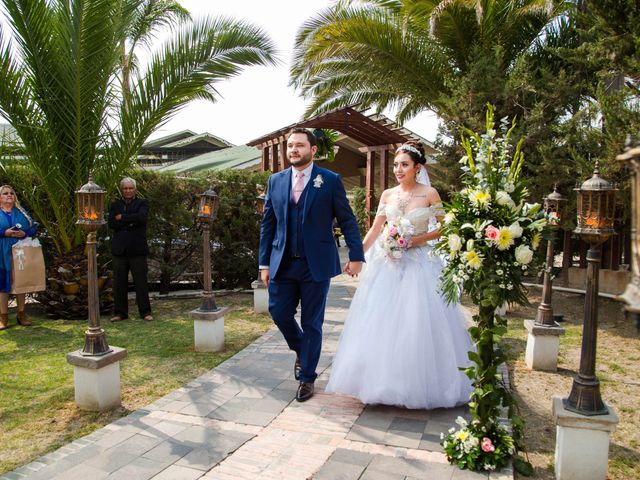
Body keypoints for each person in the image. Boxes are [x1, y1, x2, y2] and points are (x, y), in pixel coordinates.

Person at [326, 143, 474, 409]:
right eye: (395, 165)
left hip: (419, 265)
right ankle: (378, 382)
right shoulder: (387, 195)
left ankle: (419, 383)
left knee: (417, 322)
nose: (398, 169)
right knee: (380, 321)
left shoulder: (429, 193)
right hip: (388, 265)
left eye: (404, 164)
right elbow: (375, 229)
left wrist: (415, 240)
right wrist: (357, 256)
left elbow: (443, 229)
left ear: (417, 168)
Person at [259, 128, 365, 402]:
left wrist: (356, 255)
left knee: (312, 322)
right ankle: (303, 351)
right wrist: (263, 263)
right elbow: (268, 224)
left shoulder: (329, 180)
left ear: (313, 150)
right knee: (278, 312)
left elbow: (348, 220)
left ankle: (307, 377)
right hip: (282, 262)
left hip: (315, 265)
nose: (293, 150)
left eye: (299, 146)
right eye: (290, 146)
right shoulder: (275, 181)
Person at [108, 177, 152, 322]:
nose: (128, 191)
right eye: (125, 188)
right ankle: (120, 313)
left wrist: (123, 218)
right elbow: (112, 223)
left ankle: (145, 312)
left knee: (141, 282)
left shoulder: (143, 203)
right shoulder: (115, 205)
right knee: (119, 283)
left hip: (137, 249)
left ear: (135, 189)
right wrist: (130, 220)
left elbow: (142, 217)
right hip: (119, 250)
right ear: (122, 190)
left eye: (130, 188)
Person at [0, 185, 37, 330]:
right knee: (2, 284)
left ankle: (21, 314)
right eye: (5, 193)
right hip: (2, 251)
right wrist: (4, 233)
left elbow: (33, 227)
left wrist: (25, 233)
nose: (9, 195)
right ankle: (3, 317)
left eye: (11, 193)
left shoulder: (21, 212)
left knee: (21, 282)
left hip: (20, 251)